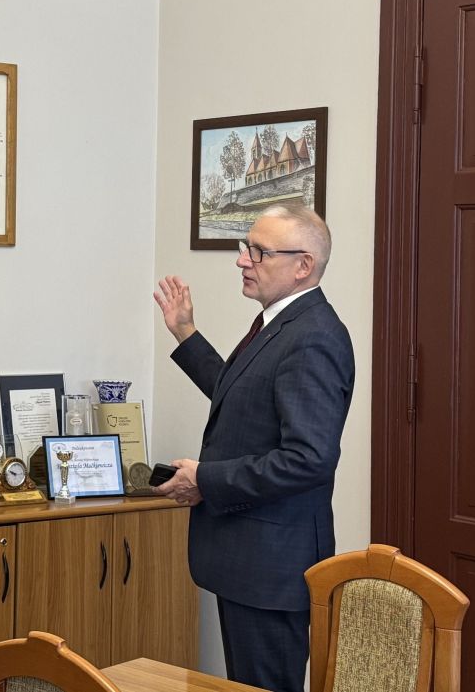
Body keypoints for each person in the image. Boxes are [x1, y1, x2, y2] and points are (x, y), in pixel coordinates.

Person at [152, 205, 354, 692]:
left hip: (273, 568)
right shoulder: (279, 323)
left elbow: (308, 459)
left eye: (259, 252)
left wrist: (204, 479)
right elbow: (241, 396)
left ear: (303, 265)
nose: (243, 260)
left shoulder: (314, 337)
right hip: (249, 560)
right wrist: (185, 333)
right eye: (246, 247)